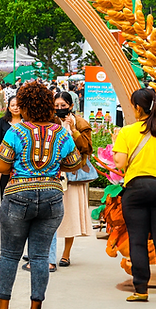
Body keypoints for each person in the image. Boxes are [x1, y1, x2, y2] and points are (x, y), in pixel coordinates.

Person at [0, 81, 83, 309]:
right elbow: (75, 163)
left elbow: (1, 166)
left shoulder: (16, 131)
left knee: (9, 255)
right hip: (52, 196)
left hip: (18, 195)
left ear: (24, 106)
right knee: (40, 256)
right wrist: (54, 165)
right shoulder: (60, 132)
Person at [113, 88, 156, 303]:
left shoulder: (127, 132)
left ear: (137, 108)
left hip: (137, 189)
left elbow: (120, 163)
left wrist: (115, 144)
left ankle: (141, 290)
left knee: (138, 240)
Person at [55, 91, 94, 268]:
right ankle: (44, 251)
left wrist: (74, 131)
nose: (60, 109)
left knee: (70, 213)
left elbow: (87, 148)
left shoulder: (81, 123)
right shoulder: (51, 122)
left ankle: (66, 254)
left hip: (74, 174)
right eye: (56, 106)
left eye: (63, 105)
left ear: (71, 106)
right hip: (54, 172)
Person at [0, 96, 21, 196]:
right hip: (6, 162)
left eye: (18, 105)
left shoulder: (26, 122)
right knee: (5, 192)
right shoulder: (2, 122)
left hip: (21, 164)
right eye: (13, 105)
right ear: (8, 108)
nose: (16, 108)